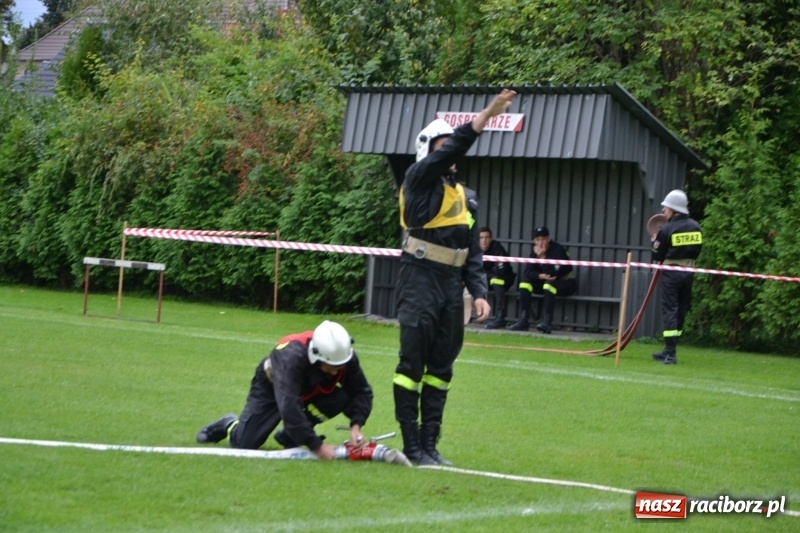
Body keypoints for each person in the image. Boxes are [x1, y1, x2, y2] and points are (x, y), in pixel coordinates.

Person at [395, 89, 517, 466]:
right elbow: (454, 147)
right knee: (411, 368)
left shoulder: (467, 197)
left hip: (450, 286)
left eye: (450, 146)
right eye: (442, 146)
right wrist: (484, 117)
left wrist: (479, 292)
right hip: (419, 280)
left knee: (441, 369)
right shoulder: (417, 178)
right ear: (428, 149)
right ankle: (412, 446)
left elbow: (473, 252)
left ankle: (431, 445)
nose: (450, 154)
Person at [196, 320, 373, 460]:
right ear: (316, 355)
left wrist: (356, 427)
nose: (336, 371)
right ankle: (229, 423)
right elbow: (289, 405)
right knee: (244, 444)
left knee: (341, 397)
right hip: (272, 385)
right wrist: (317, 446)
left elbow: (362, 391)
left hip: (311, 388)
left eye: (339, 366)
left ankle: (290, 436)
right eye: (331, 367)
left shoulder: (343, 356)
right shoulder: (292, 358)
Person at [650, 189, 703, 365]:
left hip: (671, 273)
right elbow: (697, 251)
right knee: (681, 309)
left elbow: (657, 255)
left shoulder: (667, 229)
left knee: (670, 310)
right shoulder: (696, 227)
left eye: (666, 208)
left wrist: (654, 242)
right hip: (688, 273)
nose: (664, 211)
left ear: (675, 209)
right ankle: (669, 349)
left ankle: (670, 354)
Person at [509, 226, 577, 333]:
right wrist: (540, 276)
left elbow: (554, 273)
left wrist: (543, 257)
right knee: (524, 283)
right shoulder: (535, 251)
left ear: (549, 239)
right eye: (538, 240)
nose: (541, 242)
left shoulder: (557, 249)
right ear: (534, 241)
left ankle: (547, 323)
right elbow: (527, 271)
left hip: (565, 283)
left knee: (549, 284)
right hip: (544, 281)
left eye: (543, 239)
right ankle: (523, 321)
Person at [480, 227, 517, 329]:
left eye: (487, 237)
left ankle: (500, 318)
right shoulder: (475, 249)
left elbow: (500, 270)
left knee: (496, 279)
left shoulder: (497, 247)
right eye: (481, 237)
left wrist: (485, 274)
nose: (484, 240)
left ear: (491, 239)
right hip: (486, 279)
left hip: (505, 279)